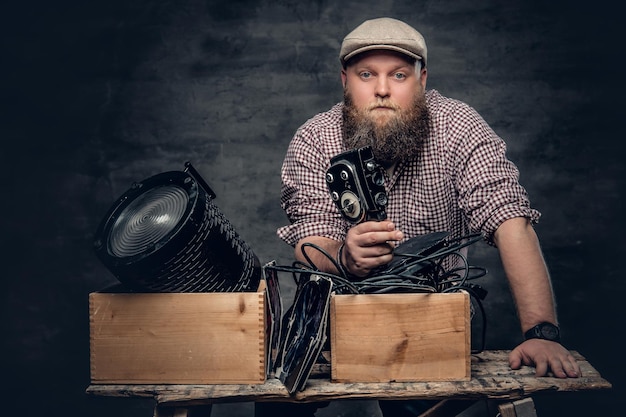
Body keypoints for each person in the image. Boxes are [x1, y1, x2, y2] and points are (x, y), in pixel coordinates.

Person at [263, 17, 581, 417]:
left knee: (417, 405)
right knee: (278, 395)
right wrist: (346, 257)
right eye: (367, 74)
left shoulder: (458, 127)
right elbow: (312, 238)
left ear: (422, 78)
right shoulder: (315, 138)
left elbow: (509, 219)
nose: (382, 89)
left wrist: (541, 332)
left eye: (398, 75)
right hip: (334, 305)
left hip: (430, 307)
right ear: (345, 79)